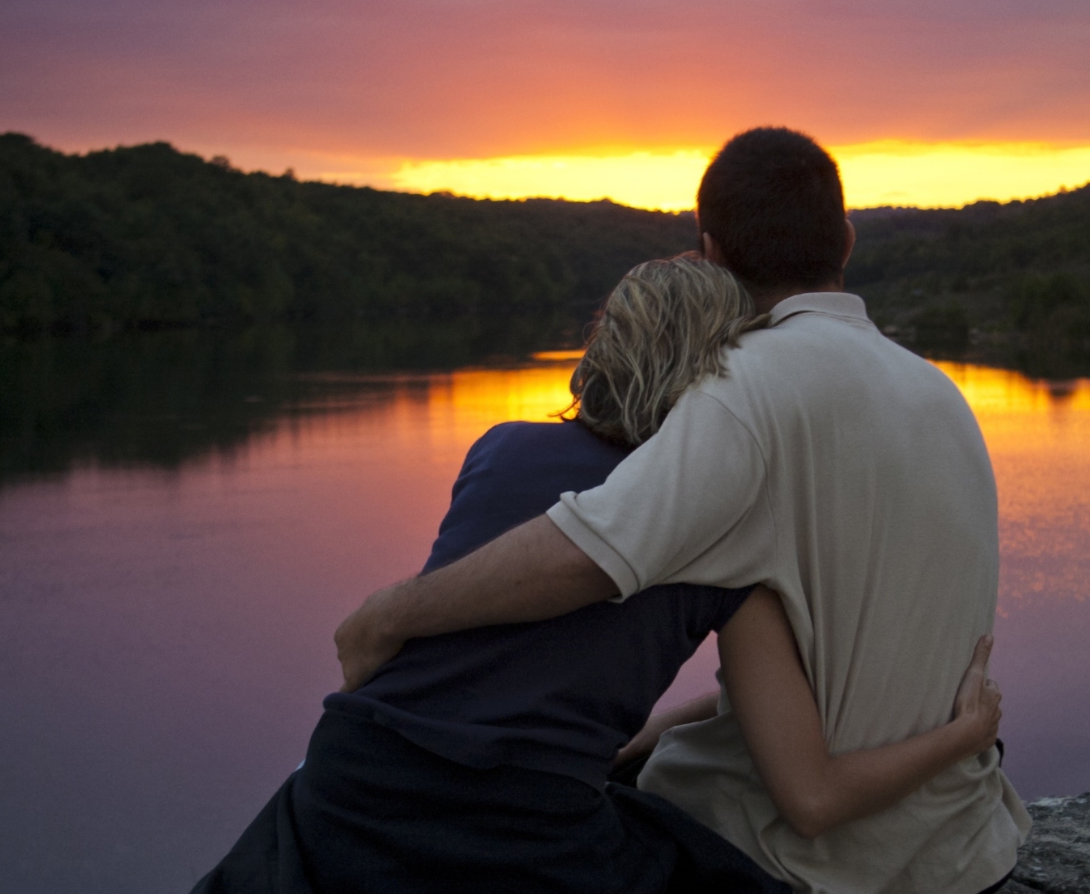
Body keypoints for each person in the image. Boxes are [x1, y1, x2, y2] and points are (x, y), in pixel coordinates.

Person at [333, 128, 1032, 894]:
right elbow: (836, 680)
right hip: (966, 855)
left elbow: (591, 550)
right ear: (848, 241)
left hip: (808, 866)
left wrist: (387, 617)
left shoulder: (744, 391)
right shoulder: (944, 397)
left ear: (711, 251)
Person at [193, 255, 1005, 894]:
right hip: (523, 839)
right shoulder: (724, 533)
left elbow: (507, 676)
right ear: (724, 371)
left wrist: (643, 736)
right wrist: (962, 735)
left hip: (348, 785)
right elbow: (812, 794)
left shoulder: (499, 449)